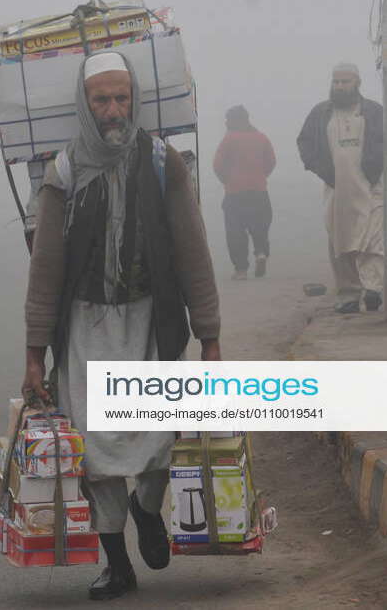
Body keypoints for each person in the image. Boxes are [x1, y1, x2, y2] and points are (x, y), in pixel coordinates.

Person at [21, 52, 221, 601]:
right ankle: (116, 563)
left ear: (135, 100)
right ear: (85, 106)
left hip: (151, 322)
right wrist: (35, 352)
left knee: (158, 441)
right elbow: (46, 271)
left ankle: (147, 508)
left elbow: (192, 252)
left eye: (121, 98)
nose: (113, 110)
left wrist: (210, 336)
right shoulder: (63, 173)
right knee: (98, 451)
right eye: (102, 100)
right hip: (85, 329)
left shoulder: (162, 163)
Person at [297, 62, 384, 314]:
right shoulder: (321, 113)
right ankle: (348, 294)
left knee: (373, 239)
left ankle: (373, 289)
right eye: (336, 82)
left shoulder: (374, 112)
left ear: (357, 83)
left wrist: (376, 168)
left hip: (372, 186)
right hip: (337, 189)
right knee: (340, 242)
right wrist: (321, 170)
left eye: (345, 82)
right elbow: (304, 142)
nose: (340, 86)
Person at [212, 105, 276, 279]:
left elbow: (217, 164)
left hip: (235, 193)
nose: (225, 122)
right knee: (260, 225)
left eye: (228, 119)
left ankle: (241, 270)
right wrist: (261, 176)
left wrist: (226, 180)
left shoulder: (229, 139)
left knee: (235, 231)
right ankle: (261, 252)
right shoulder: (261, 138)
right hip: (259, 191)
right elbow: (271, 161)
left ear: (234, 121)